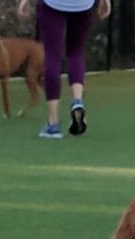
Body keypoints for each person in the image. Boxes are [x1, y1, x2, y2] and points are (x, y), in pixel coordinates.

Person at [18, 0, 111, 139]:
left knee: (52, 57)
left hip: (52, 4)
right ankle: (77, 101)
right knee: (76, 53)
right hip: (83, 5)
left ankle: (53, 122)